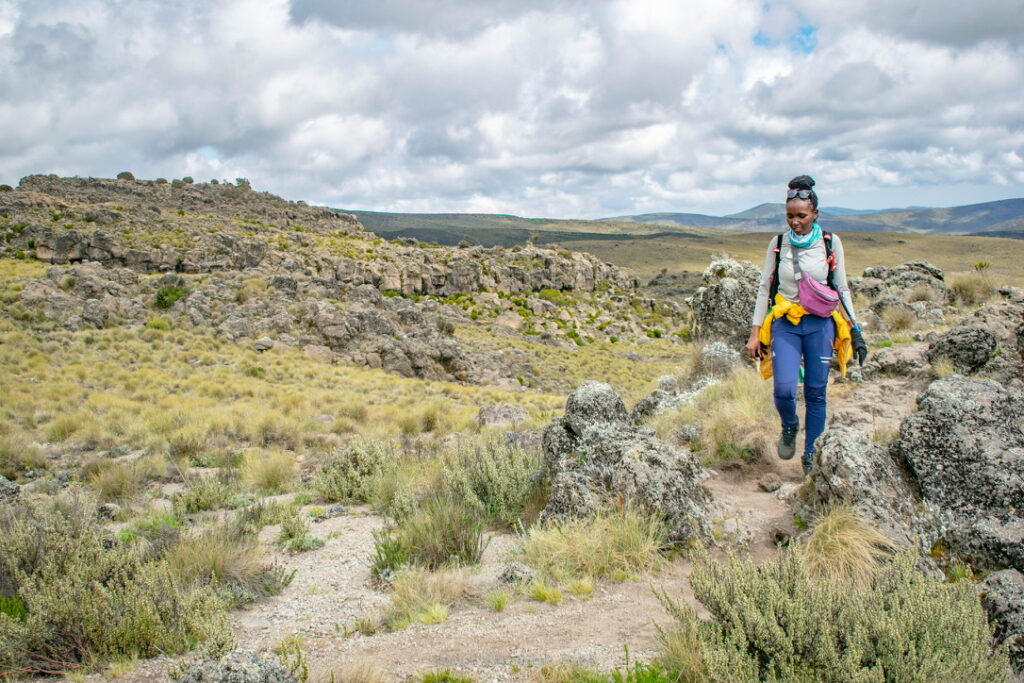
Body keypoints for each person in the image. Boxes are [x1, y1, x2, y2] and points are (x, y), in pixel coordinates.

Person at [744, 175, 868, 474]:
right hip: (785, 322)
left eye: (801, 216)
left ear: (815, 214)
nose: (795, 222)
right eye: (790, 216)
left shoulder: (830, 242)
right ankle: (789, 425)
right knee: (784, 390)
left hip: (820, 323)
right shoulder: (777, 244)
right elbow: (765, 288)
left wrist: (856, 330)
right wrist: (755, 332)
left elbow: (841, 287)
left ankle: (811, 453)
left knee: (816, 391)